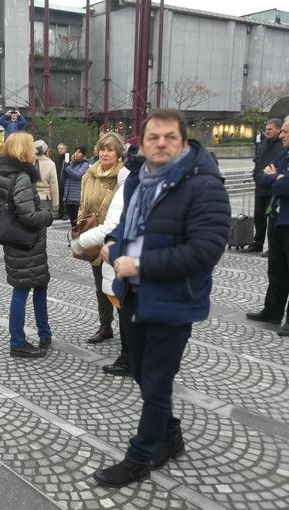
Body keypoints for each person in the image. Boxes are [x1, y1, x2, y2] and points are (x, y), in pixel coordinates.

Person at [94, 109, 230, 488]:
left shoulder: (204, 185)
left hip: (173, 301)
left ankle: (139, 458)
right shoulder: (139, 180)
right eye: (154, 137)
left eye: (170, 137)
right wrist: (113, 244)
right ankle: (170, 434)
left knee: (156, 381)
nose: (161, 144)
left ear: (184, 142)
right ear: (143, 141)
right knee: (141, 373)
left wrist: (139, 265)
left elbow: (204, 251)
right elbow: (126, 227)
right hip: (134, 296)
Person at [0, 133, 54, 358]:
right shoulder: (21, 176)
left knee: (39, 285)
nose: (35, 151)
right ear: (23, 151)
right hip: (26, 244)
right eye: (31, 147)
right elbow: (27, 215)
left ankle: (44, 333)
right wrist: (47, 216)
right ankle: (18, 342)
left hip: (19, 242)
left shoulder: (8, 174)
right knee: (22, 290)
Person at [75, 132, 125, 345]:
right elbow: (83, 204)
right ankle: (105, 326)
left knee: (121, 287)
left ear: (118, 153)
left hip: (116, 238)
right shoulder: (89, 174)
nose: (105, 153)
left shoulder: (123, 176)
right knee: (100, 286)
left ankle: (128, 330)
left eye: (110, 149)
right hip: (94, 239)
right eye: (102, 149)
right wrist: (81, 226)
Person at [247, 118, 289, 337]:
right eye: (281, 131)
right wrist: (276, 177)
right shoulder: (283, 153)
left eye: (286, 132)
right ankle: (272, 311)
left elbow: (284, 184)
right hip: (277, 217)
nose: (282, 135)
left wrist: (277, 178)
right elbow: (262, 176)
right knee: (277, 269)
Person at [244, 118, 284, 255]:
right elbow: (259, 162)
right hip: (260, 186)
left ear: (278, 130)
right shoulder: (264, 143)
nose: (266, 132)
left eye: (270, 129)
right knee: (258, 217)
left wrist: (272, 177)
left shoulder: (282, 146)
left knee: (272, 218)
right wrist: (256, 175)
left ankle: (272, 247)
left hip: (273, 187)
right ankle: (257, 243)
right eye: (266, 129)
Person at [62, 146, 90, 227]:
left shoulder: (85, 164)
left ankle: (78, 238)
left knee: (77, 222)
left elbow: (78, 175)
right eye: (76, 152)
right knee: (72, 223)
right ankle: (74, 237)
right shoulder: (71, 163)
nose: (76, 154)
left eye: (79, 152)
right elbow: (65, 177)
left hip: (77, 197)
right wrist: (65, 168)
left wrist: (67, 168)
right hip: (69, 196)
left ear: (83, 154)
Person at [33, 140, 59, 214]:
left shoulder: (29, 162)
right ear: (46, 150)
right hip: (45, 198)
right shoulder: (50, 164)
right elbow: (54, 185)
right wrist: (55, 204)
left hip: (31, 197)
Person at [55, 143, 68, 219]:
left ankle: (66, 213)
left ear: (65, 149)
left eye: (62, 148)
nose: (60, 150)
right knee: (59, 198)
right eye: (59, 148)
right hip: (58, 181)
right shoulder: (56, 158)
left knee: (65, 198)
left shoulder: (67, 157)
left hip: (65, 181)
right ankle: (60, 213)